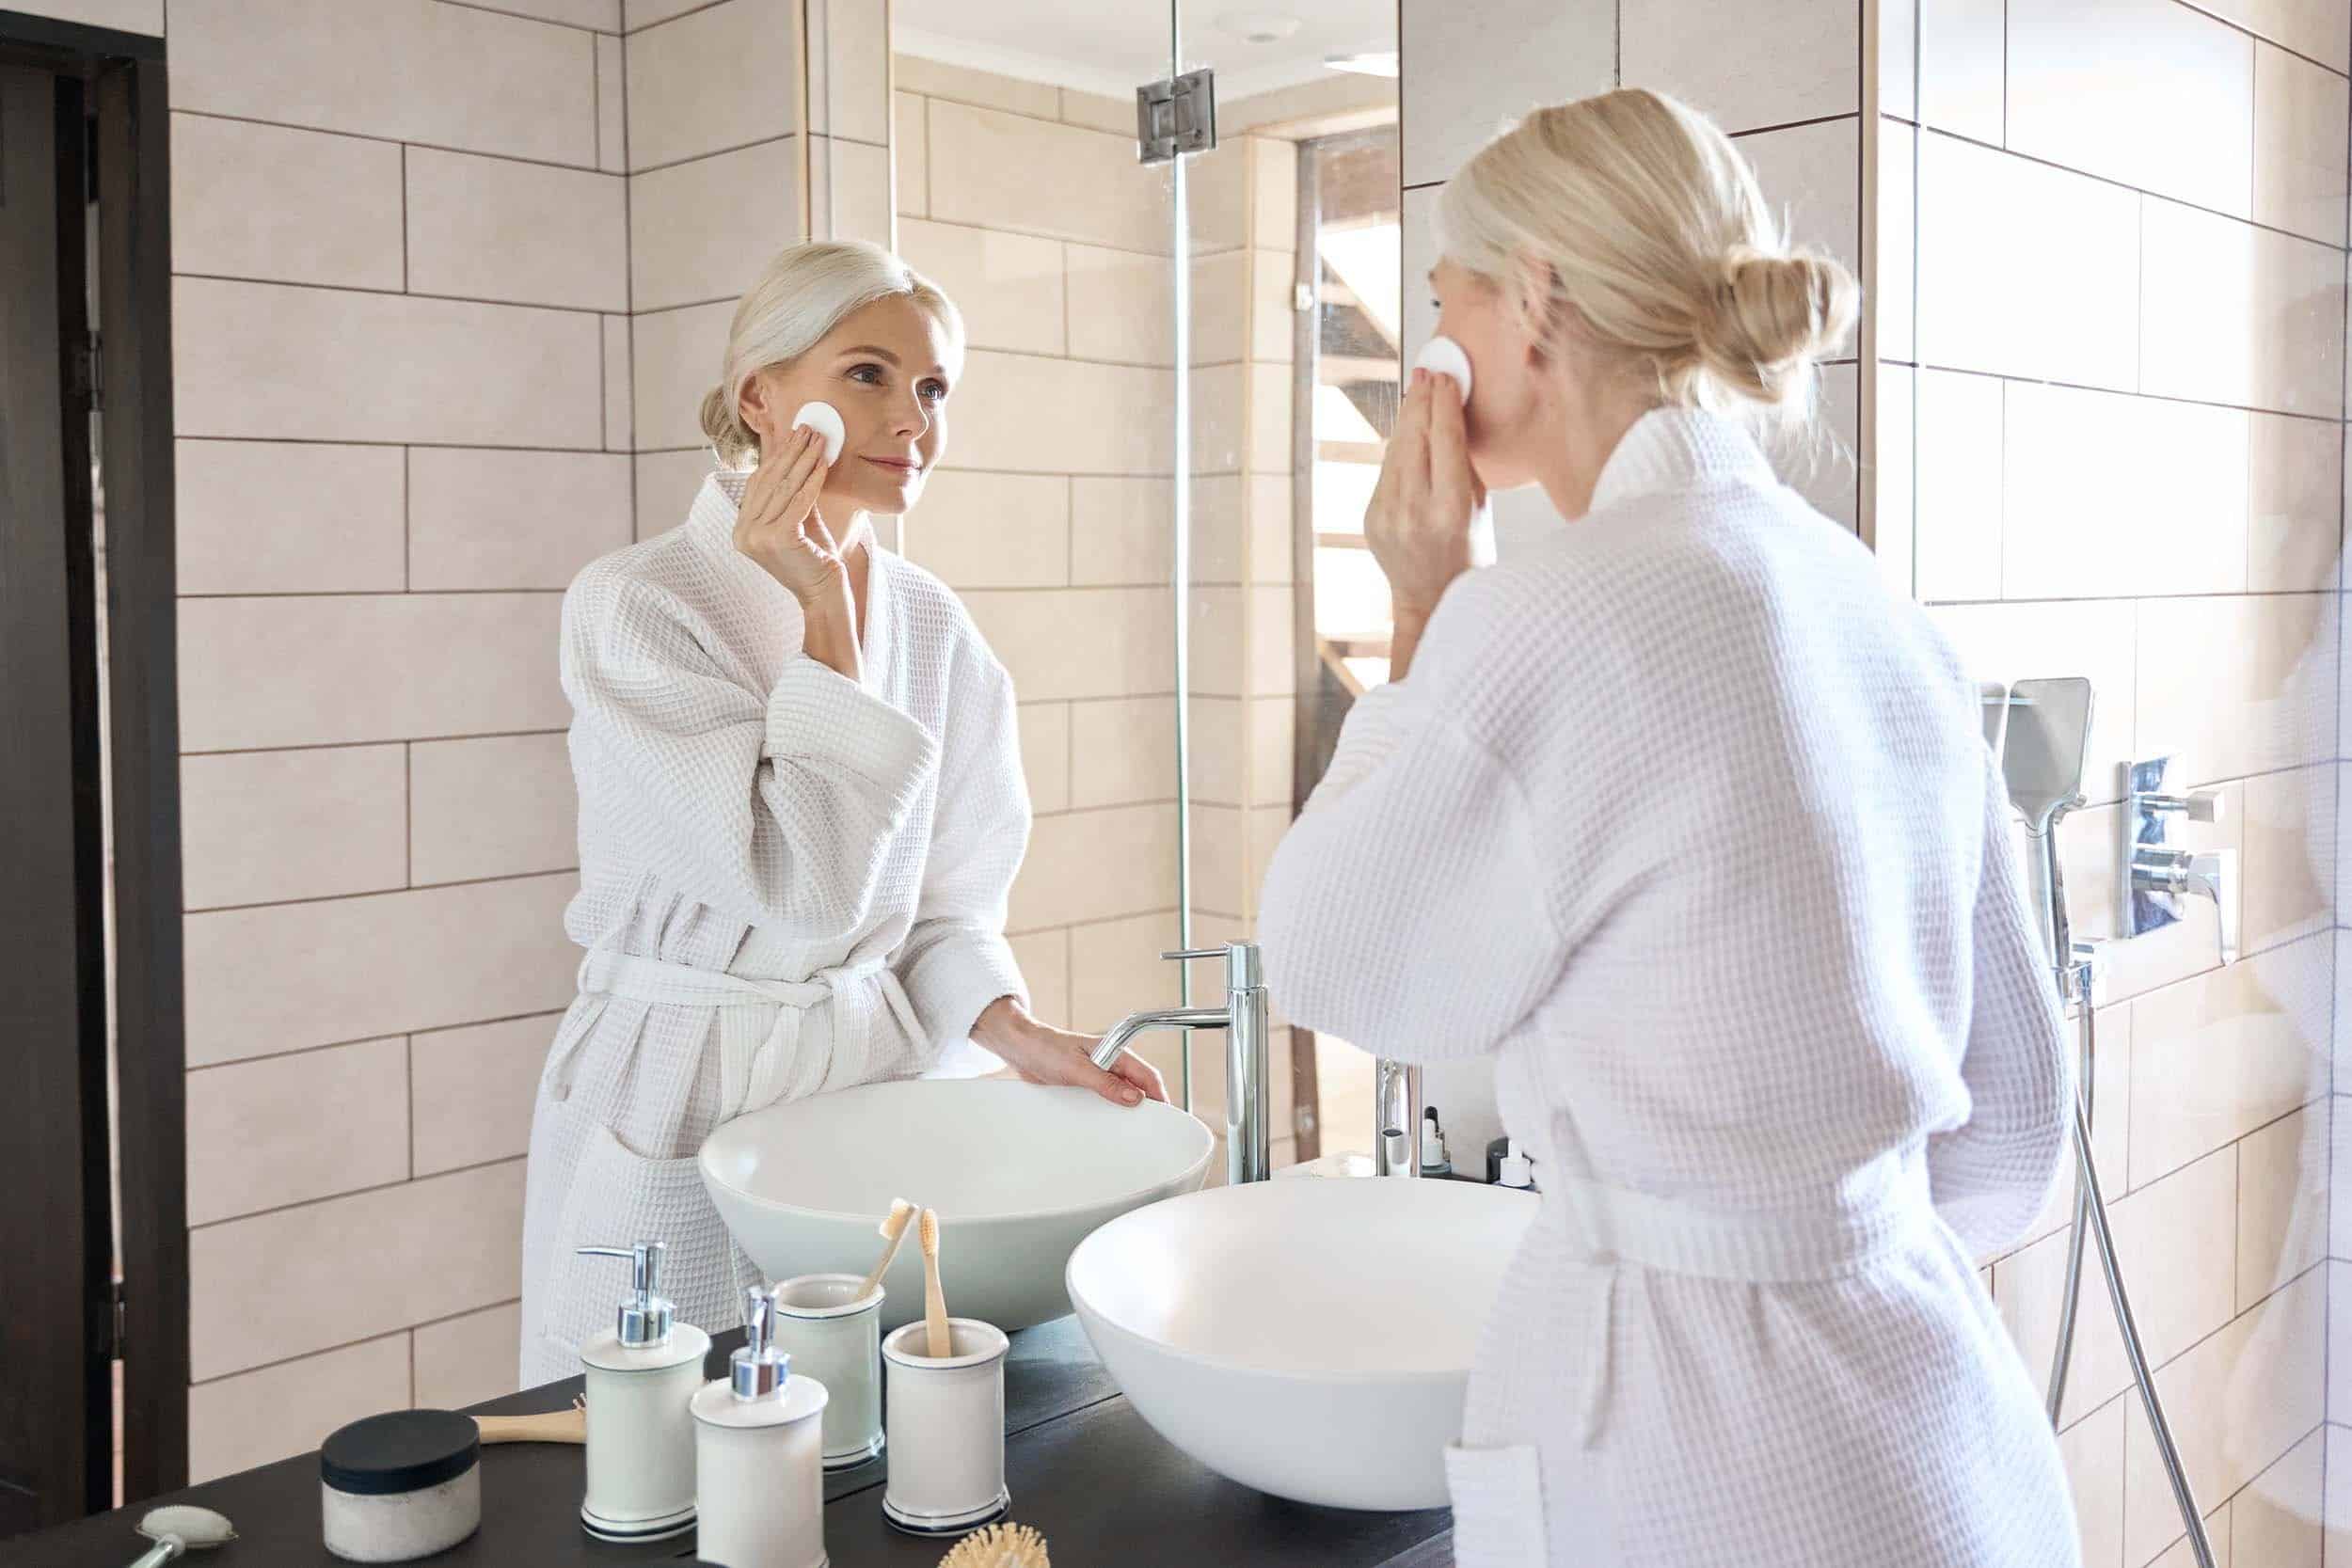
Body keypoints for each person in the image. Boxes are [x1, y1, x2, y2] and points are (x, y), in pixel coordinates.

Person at [1257, 90, 2077, 1566]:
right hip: (1942, 1440)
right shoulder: (1881, 613)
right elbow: (2011, 1135)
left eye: (1442, 286)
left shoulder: (1545, 619)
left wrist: (1425, 594)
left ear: (1533, 302)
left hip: (1703, 1463)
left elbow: (1328, 957)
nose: (1426, 327)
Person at [519, 241, 1166, 1384]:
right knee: (654, 1457)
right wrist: (822, 612)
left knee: (883, 1434)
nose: (910, 416)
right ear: (759, 394)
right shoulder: (638, 605)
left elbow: (941, 907)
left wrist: (1017, 1030)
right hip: (688, 1081)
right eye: (868, 372)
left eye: (932, 388)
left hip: (876, 1089)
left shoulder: (933, 622)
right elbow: (799, 889)